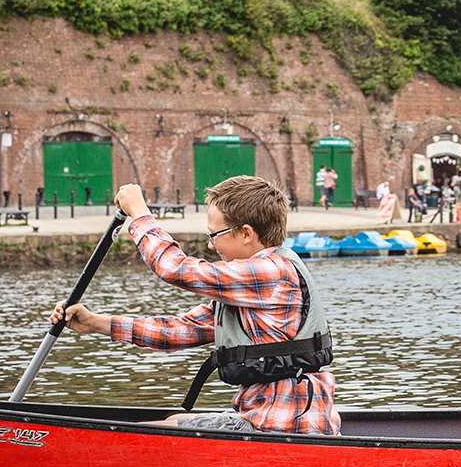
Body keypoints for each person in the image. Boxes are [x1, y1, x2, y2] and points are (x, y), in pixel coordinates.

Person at [48, 176, 340, 435]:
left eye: (215, 235)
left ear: (247, 233)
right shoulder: (249, 288)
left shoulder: (271, 272)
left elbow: (175, 269)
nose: (212, 245)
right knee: (174, 422)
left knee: (150, 434)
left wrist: (139, 215)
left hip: (283, 425)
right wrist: (95, 323)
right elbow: (178, 331)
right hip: (262, 417)